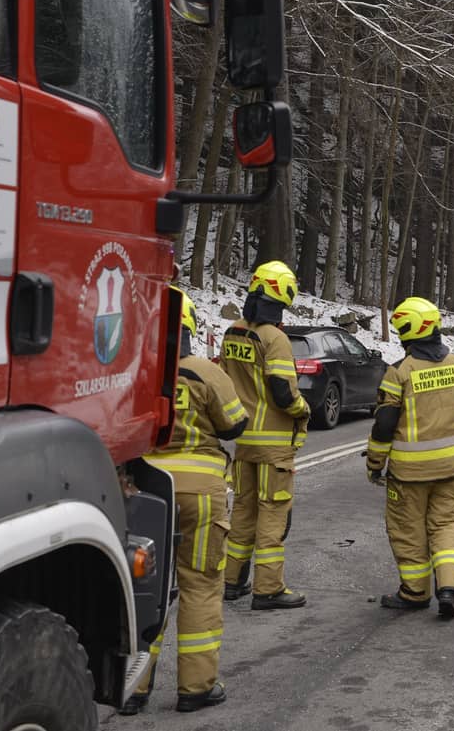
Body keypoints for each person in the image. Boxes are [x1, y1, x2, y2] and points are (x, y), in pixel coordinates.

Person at [122, 289, 248, 715]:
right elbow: (234, 426)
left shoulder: (139, 371)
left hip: (150, 494)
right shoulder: (204, 372)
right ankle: (196, 688)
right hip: (202, 497)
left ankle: (133, 687)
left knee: (146, 590)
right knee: (201, 585)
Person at [365, 297, 454, 619]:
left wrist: (374, 463)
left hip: (410, 475)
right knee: (446, 526)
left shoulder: (400, 372)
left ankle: (414, 592)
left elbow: (384, 425)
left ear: (407, 333)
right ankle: (447, 587)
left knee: (408, 530)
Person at [220, 261, 311, 610]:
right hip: (273, 446)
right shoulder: (275, 338)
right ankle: (268, 589)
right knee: (272, 514)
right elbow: (284, 394)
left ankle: (231, 580)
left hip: (244, 441)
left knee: (242, 511)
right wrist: (303, 410)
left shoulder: (233, 332)